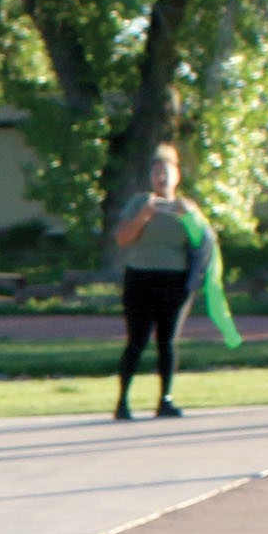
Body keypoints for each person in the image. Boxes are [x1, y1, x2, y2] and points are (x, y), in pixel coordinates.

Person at [109, 143, 203, 421]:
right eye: (156, 172)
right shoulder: (140, 203)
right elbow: (123, 238)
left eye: (166, 172)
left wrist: (189, 218)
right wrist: (144, 216)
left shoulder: (186, 207)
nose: (160, 178)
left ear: (177, 175)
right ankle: (123, 400)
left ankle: (165, 399)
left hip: (174, 280)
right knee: (136, 339)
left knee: (168, 340)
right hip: (140, 277)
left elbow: (203, 242)